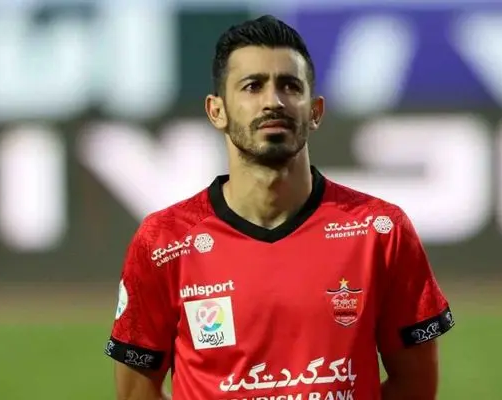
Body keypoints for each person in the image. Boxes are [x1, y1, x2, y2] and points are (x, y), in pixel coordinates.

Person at [104, 15, 454, 400]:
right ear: (217, 110)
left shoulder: (380, 230)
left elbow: (416, 384)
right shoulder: (164, 241)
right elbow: (136, 390)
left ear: (315, 111)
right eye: (252, 86)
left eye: (290, 86)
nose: (273, 101)